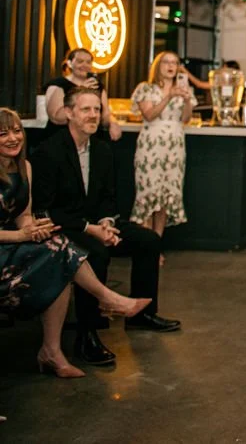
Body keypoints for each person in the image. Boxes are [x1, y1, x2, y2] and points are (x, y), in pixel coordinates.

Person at [32, 87, 180, 367]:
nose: (93, 115)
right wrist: (90, 229)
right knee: (95, 253)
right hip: (64, 227)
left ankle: (141, 315)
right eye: (85, 109)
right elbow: (46, 209)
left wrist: (107, 222)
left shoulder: (102, 150)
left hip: (97, 224)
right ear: (68, 113)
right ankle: (87, 336)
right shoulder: (48, 152)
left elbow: (109, 197)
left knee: (148, 240)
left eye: (97, 110)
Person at [0, 108, 150, 379]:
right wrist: (21, 236)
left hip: (14, 243)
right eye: (3, 133)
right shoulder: (51, 152)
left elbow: (23, 214)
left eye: (16, 131)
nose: (12, 138)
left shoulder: (25, 168)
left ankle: (51, 351)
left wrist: (32, 229)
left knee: (60, 249)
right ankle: (108, 300)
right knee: (63, 253)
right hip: (4, 246)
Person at [128, 51, 196, 237]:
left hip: (175, 145)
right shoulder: (146, 88)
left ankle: (156, 244)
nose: (171, 66)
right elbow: (149, 114)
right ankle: (146, 246)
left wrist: (188, 100)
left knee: (166, 197)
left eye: (174, 62)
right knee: (149, 193)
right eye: (166, 62)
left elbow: (185, 119)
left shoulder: (182, 88)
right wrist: (169, 97)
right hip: (151, 144)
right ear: (158, 65)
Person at [41, 48, 122, 143]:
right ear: (70, 63)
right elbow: (56, 118)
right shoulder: (58, 85)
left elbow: (104, 115)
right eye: (80, 61)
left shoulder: (97, 86)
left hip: (91, 140)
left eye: (88, 62)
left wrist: (113, 122)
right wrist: (80, 91)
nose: (84, 65)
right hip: (62, 140)